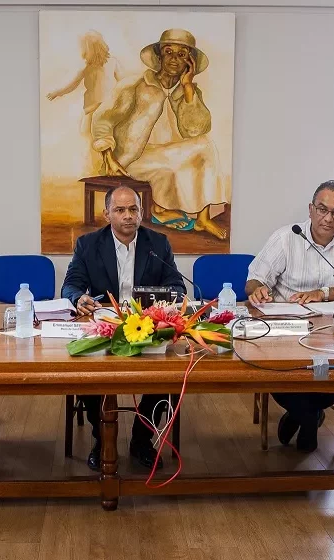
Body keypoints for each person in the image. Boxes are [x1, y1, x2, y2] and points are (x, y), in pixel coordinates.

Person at [245, 180, 334, 452]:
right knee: (275, 372)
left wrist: (325, 293)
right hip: (287, 332)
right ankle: (310, 417)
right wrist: (258, 289)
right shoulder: (286, 238)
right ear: (310, 209)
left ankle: (301, 414)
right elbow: (254, 279)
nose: (328, 218)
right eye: (322, 209)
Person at [62, 186, 187, 472]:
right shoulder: (88, 244)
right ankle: (101, 439)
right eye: (120, 210)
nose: (128, 216)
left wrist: (165, 303)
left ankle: (142, 439)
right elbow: (70, 285)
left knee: (169, 371)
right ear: (107, 214)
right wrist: (78, 298)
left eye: (133, 209)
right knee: (87, 372)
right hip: (105, 326)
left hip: (149, 326)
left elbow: (176, 286)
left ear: (141, 213)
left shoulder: (158, 243)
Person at [91, 29, 228, 240]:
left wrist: (187, 87)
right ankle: (159, 210)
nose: (174, 59)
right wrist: (109, 157)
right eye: (168, 52)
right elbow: (103, 119)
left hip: (166, 155)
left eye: (181, 54)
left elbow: (196, 129)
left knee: (205, 144)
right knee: (172, 166)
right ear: (159, 56)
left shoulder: (188, 91)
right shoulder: (135, 85)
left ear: (189, 61)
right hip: (133, 159)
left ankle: (202, 218)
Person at [46, 30, 123, 176]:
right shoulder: (87, 68)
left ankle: (108, 167)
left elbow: (123, 82)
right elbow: (72, 85)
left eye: (85, 48)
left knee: (100, 139)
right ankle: (104, 168)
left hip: (106, 109)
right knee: (93, 139)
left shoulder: (111, 62)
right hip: (95, 110)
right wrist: (58, 92)